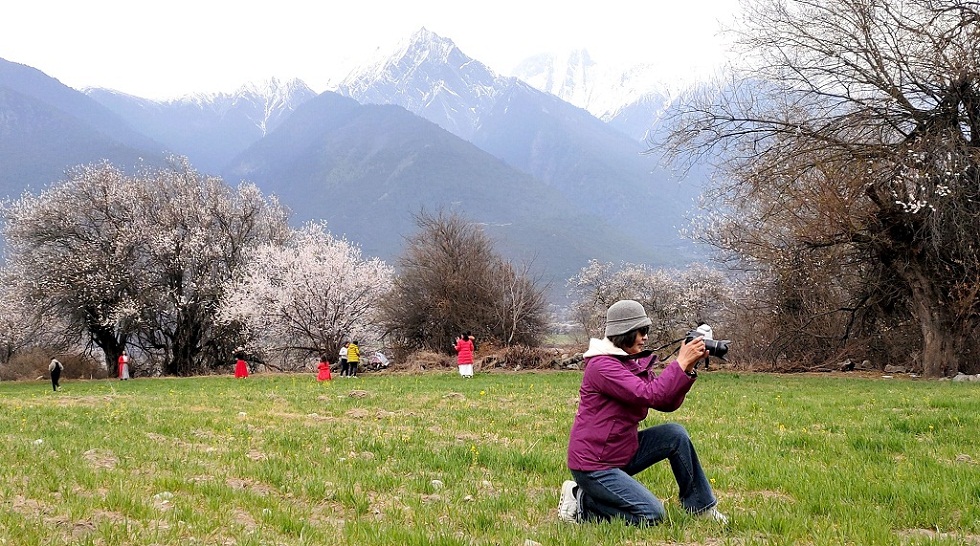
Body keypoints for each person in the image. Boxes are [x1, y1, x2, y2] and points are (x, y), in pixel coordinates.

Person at [559, 299, 727, 526]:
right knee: (651, 515)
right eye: (640, 331)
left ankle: (701, 506)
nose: (645, 336)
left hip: (620, 451)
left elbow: (666, 402)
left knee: (675, 435)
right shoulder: (602, 366)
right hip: (594, 464)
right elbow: (650, 394)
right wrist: (679, 363)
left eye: (646, 330)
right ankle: (581, 501)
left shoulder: (627, 362)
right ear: (623, 332)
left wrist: (688, 367)